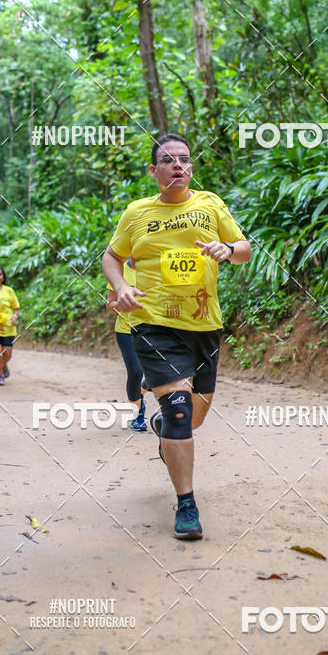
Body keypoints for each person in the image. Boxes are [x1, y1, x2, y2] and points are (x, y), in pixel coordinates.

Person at [102, 133, 251, 540]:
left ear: (192, 167)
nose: (178, 167)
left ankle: (163, 423)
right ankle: (186, 504)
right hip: (153, 324)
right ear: (154, 171)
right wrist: (121, 287)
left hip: (204, 325)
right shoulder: (137, 213)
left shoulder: (210, 204)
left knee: (193, 417)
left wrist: (226, 248)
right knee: (181, 411)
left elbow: (244, 247)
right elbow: (111, 256)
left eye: (184, 160)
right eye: (168, 161)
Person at [106, 258, 147, 431]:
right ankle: (138, 413)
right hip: (126, 330)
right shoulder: (119, 270)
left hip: (152, 329)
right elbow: (110, 306)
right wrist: (123, 305)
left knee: (158, 373)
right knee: (136, 372)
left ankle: (140, 395)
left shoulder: (155, 266)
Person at [0, 265, 20, 386]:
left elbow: (16, 307)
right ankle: (0, 375)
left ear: (3, 277)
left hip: (8, 326)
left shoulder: (9, 291)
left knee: (7, 353)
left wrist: (15, 316)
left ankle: (2, 364)